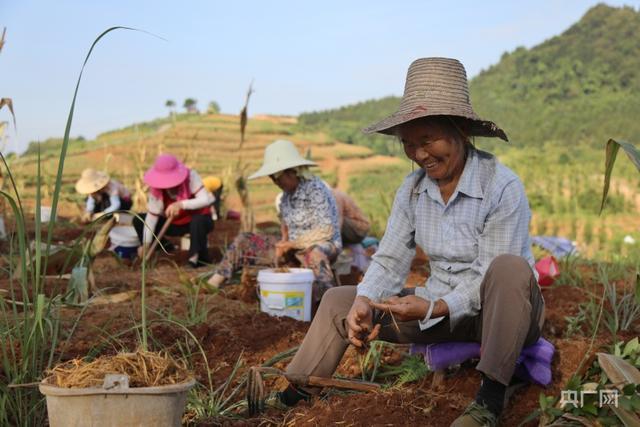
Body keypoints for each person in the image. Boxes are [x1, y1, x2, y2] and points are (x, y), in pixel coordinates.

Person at [272, 58, 544, 427]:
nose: (419, 155)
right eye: (409, 143)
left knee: (509, 269)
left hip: (502, 314)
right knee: (340, 299)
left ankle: (490, 399)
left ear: (461, 130)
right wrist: (366, 301)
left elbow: (488, 277)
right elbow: (389, 257)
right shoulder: (413, 190)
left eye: (428, 140)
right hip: (438, 309)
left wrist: (436, 308)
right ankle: (299, 390)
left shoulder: (500, 186)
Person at [206, 139, 341, 311]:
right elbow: (285, 226)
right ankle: (215, 281)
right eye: (272, 178)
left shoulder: (316, 189)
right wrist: (282, 243)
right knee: (245, 239)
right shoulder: (285, 196)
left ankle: (328, 307)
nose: (275, 182)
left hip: (323, 245)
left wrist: (290, 244)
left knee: (315, 254)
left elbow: (326, 231)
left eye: (277, 178)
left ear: (292, 172)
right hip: (293, 246)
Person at [133, 154, 215, 268]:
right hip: (175, 224)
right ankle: (163, 248)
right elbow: (152, 218)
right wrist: (146, 244)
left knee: (198, 220)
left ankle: (194, 259)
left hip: (197, 222)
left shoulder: (191, 176)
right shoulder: (156, 189)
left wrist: (181, 204)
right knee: (139, 219)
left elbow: (205, 200)